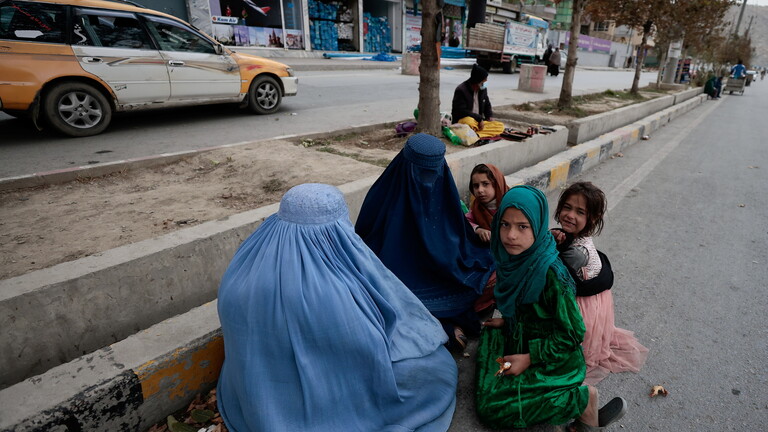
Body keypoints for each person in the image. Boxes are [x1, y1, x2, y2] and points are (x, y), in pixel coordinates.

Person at [217, 183, 458, 432]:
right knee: (436, 370)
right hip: (334, 395)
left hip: (254, 396)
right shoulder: (335, 286)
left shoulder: (244, 263)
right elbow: (366, 351)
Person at [476, 185, 627, 431]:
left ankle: (581, 401)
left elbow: (572, 334)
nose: (511, 235)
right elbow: (527, 307)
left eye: (522, 227)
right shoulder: (512, 257)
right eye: (505, 224)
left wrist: (530, 358)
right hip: (526, 334)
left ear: (536, 225)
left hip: (553, 355)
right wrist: (508, 321)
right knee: (490, 341)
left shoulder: (550, 274)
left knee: (492, 408)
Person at [355, 133, 496, 351]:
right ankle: (447, 325)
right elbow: (367, 249)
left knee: (497, 274)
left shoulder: (443, 194)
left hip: (445, 274)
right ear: (407, 168)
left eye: (433, 174)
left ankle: (440, 323)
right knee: (378, 300)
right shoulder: (384, 198)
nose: (427, 182)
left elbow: (460, 235)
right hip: (398, 283)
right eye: (421, 174)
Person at [551, 182, 649, 386]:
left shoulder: (577, 252)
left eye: (580, 212)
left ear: (592, 218)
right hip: (592, 298)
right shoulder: (572, 236)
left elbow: (552, 276)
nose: (570, 215)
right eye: (567, 207)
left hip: (582, 306)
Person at [452, 64, 506, 138]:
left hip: (478, 122)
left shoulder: (483, 89)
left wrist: (489, 117)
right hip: (465, 120)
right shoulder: (461, 90)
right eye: (484, 80)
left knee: (500, 126)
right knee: (469, 122)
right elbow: (461, 111)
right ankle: (477, 133)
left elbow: (487, 104)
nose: (486, 82)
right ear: (478, 81)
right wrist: (479, 118)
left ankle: (476, 134)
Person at [465, 163, 510, 244]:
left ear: (497, 184)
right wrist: (478, 230)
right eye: (476, 186)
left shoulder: (511, 204)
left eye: (485, 184)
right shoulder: (477, 207)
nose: (480, 190)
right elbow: (465, 221)